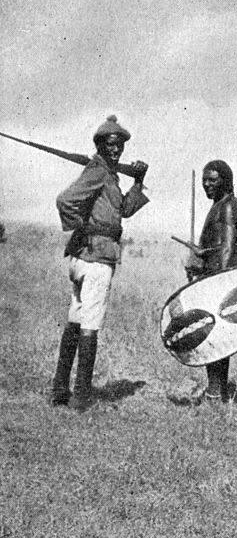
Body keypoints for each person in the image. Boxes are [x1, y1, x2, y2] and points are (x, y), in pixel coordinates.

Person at [49, 115, 149, 411]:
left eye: (119, 145)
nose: (116, 150)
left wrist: (138, 181)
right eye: (110, 144)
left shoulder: (109, 174)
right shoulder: (98, 171)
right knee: (90, 326)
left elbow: (125, 211)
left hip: (86, 258)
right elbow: (64, 201)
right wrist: (85, 229)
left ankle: (60, 391)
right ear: (100, 145)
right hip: (96, 260)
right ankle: (80, 398)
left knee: (76, 321)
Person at [184, 160, 237, 403]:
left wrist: (216, 282)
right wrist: (200, 256)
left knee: (215, 338)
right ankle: (215, 391)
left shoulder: (229, 207)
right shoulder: (220, 206)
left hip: (219, 281)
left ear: (226, 180)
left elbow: (227, 249)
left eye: (213, 180)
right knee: (214, 337)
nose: (207, 185)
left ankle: (214, 393)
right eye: (204, 181)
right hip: (213, 277)